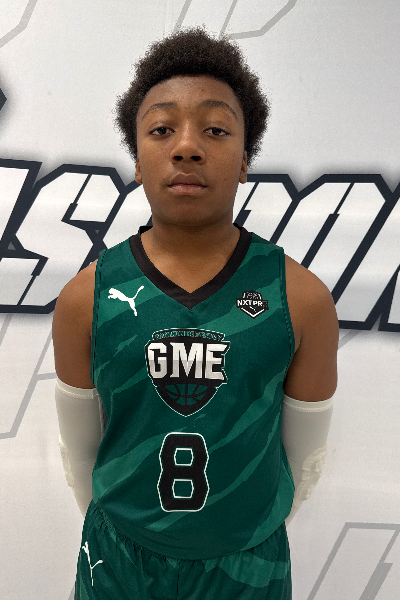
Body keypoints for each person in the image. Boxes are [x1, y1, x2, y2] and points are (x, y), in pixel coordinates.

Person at [52, 27, 338, 600]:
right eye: (162, 129)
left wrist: (240, 533)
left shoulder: (301, 297)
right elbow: (79, 454)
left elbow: (305, 461)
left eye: (215, 129)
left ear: (245, 160)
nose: (187, 147)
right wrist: (134, 533)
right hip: (118, 559)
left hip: (247, 565)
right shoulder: (85, 297)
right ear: (137, 160)